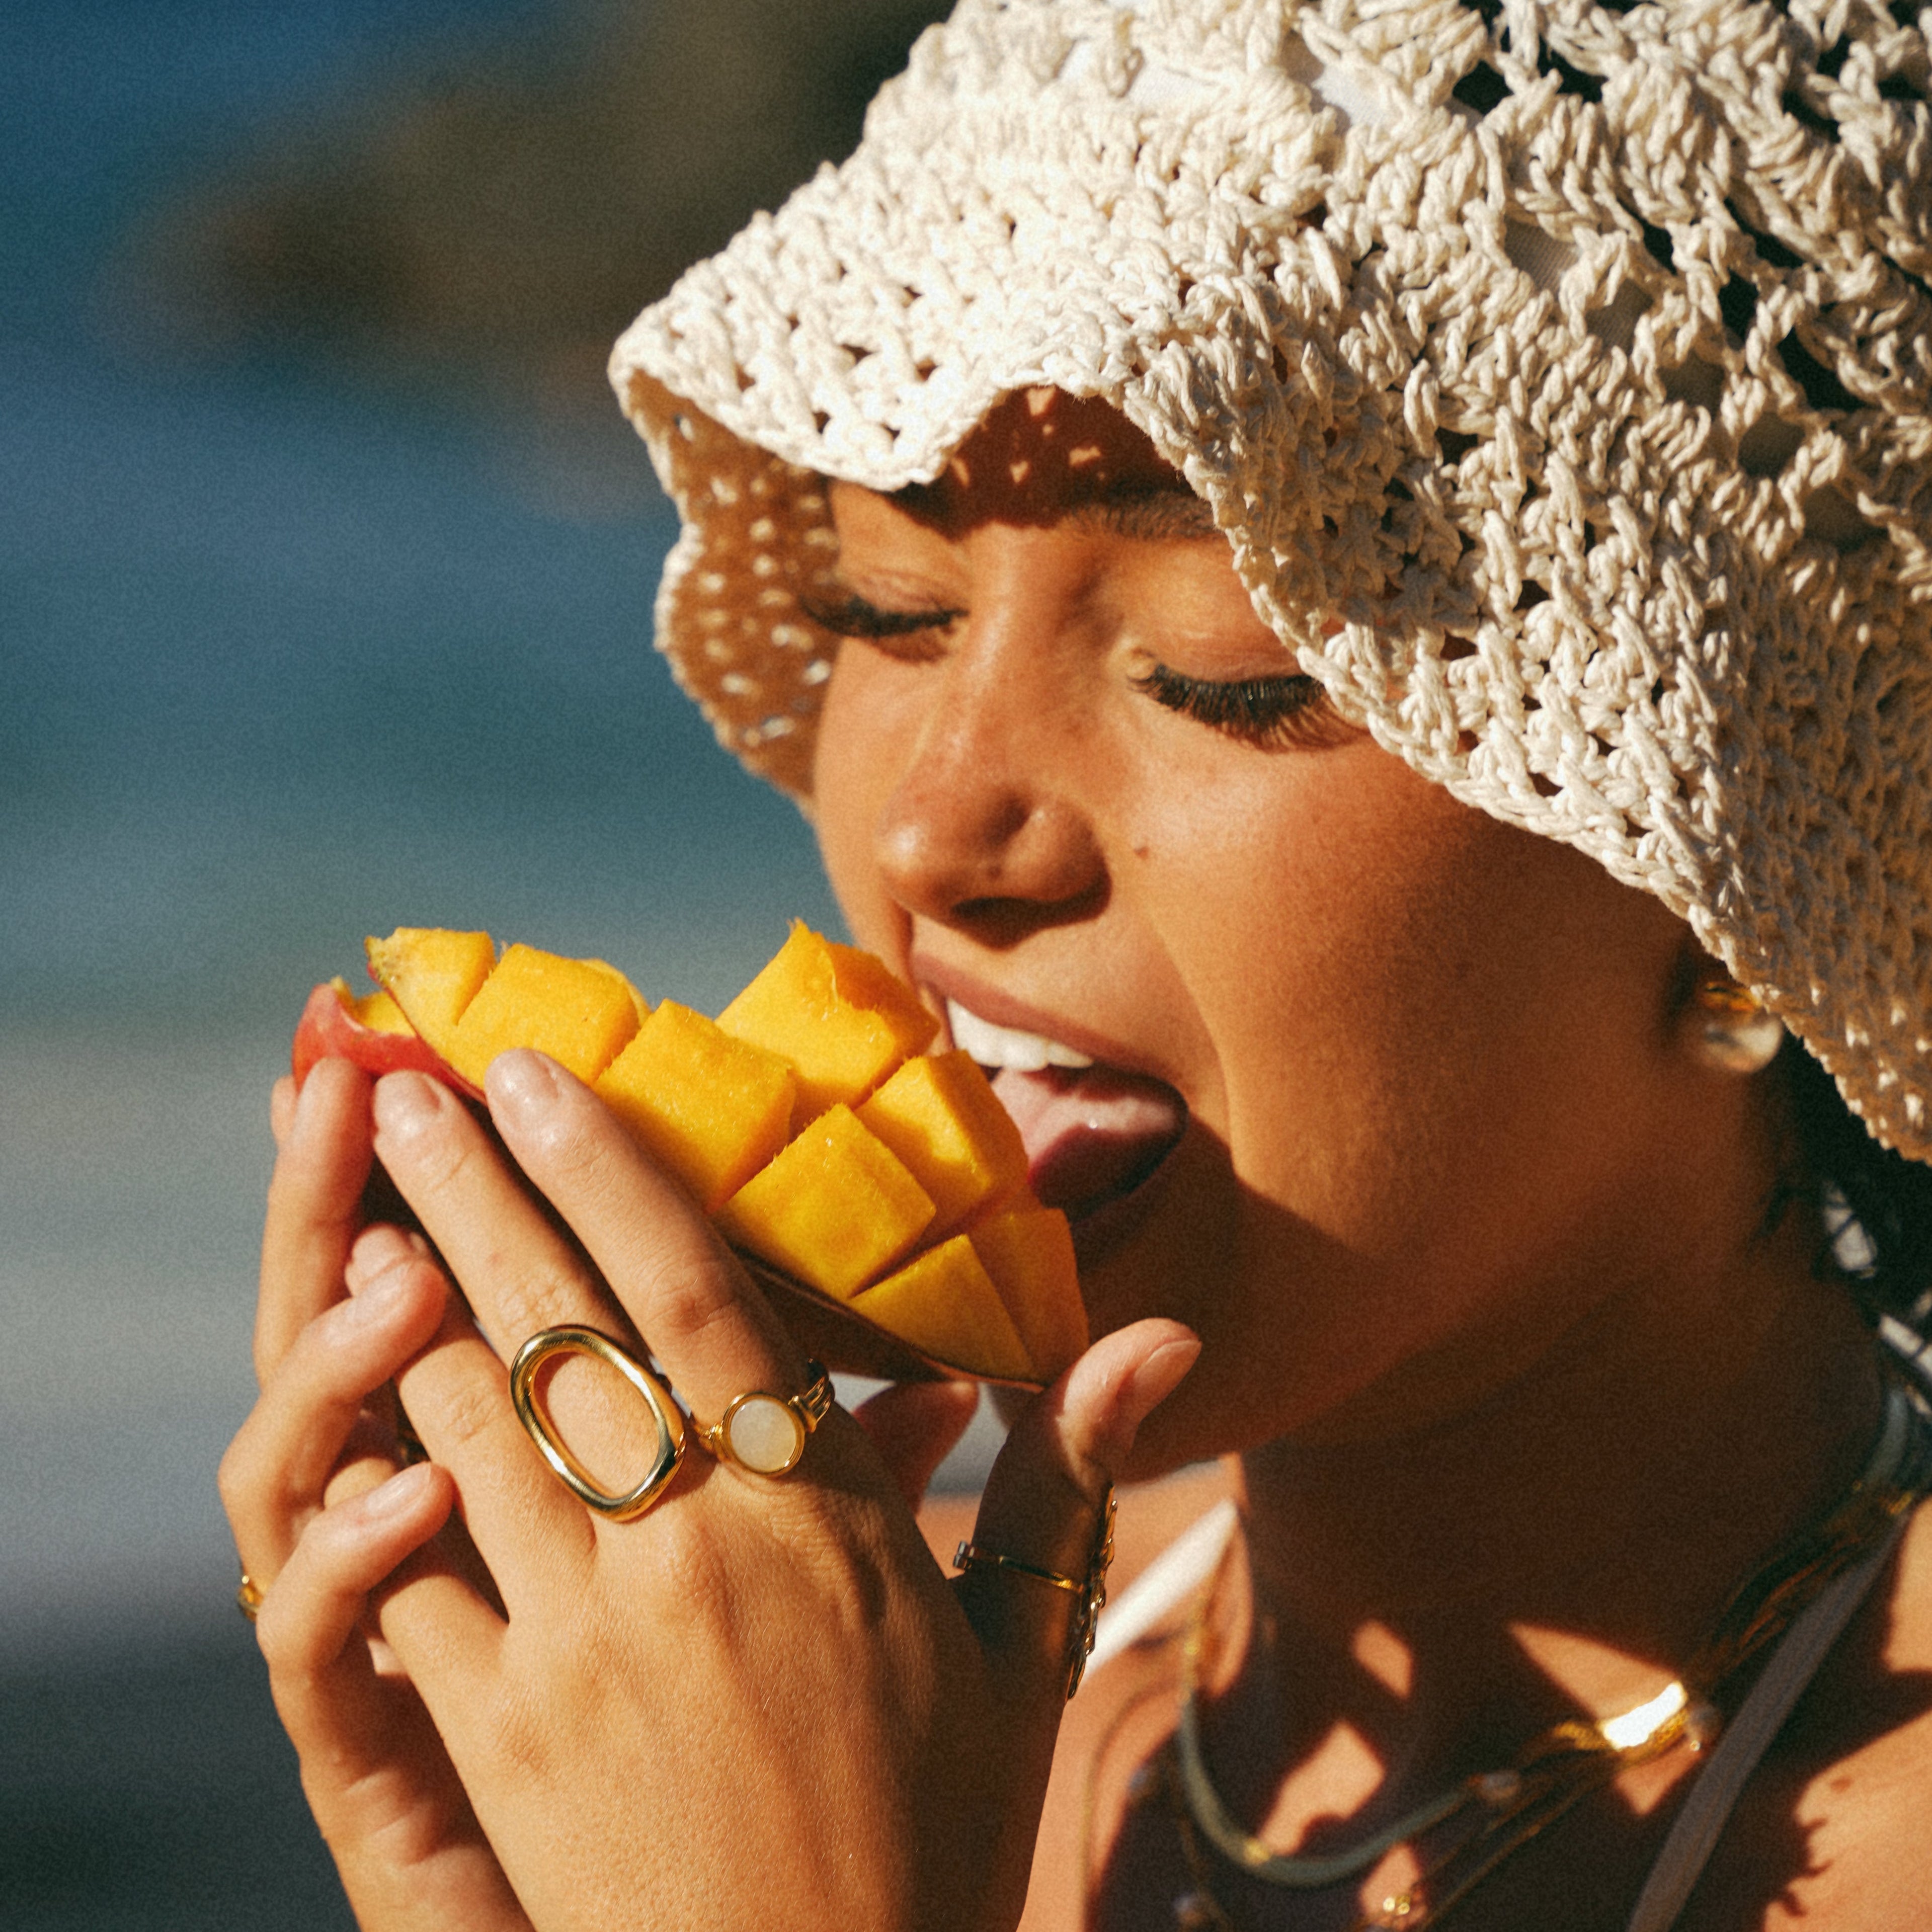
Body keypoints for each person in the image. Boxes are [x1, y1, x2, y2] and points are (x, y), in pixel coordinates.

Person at [219, 1, 1932, 1926]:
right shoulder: (850, 1700)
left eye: (1226, 664)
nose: (935, 831)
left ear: (1744, 850)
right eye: (890, 607)